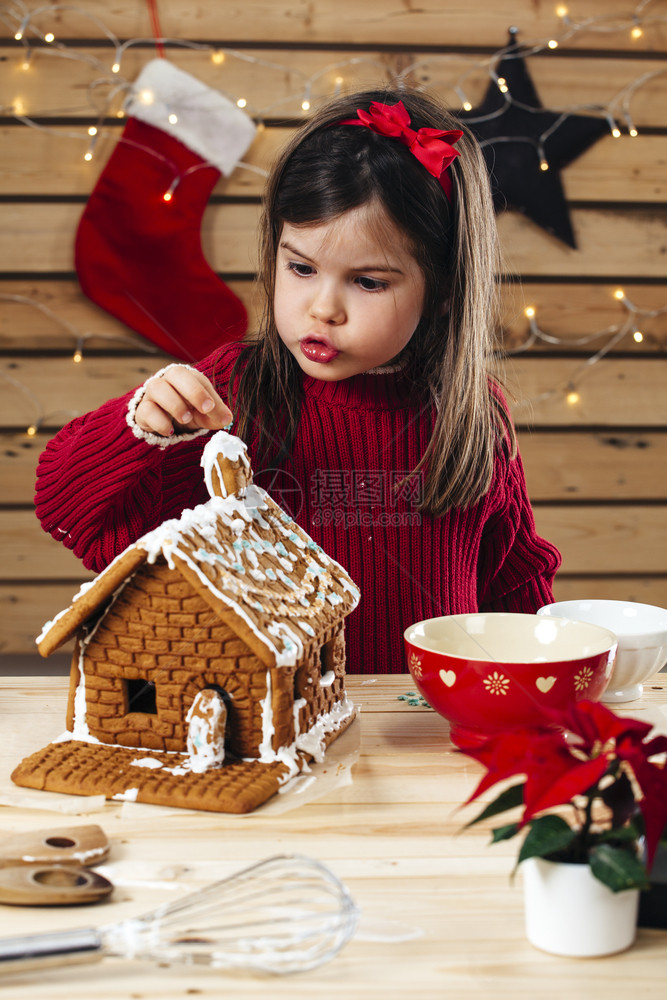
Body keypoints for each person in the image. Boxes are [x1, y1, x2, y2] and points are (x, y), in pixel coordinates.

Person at [35, 87, 560, 674]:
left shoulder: (474, 415)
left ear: (442, 290)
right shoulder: (234, 393)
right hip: (271, 731)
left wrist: (546, 692)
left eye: (368, 282)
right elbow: (72, 513)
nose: (322, 309)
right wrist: (138, 428)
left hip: (423, 731)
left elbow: (515, 585)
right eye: (302, 268)